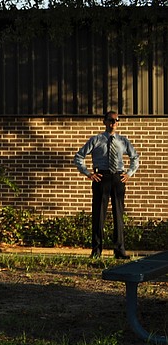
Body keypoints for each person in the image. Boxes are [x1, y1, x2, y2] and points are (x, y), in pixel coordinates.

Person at [74, 111, 139, 259]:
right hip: (101, 178)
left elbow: (134, 157)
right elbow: (79, 156)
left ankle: (119, 250)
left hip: (118, 178)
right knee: (98, 215)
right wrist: (88, 173)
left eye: (116, 120)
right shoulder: (96, 140)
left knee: (118, 214)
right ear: (104, 122)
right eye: (110, 120)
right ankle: (96, 251)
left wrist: (129, 173)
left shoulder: (123, 141)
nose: (113, 123)